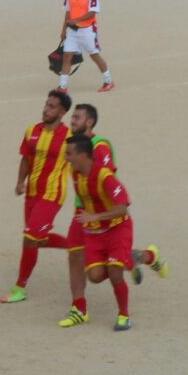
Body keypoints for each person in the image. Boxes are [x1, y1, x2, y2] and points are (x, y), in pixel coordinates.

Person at [59, 104, 167, 327]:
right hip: (84, 215)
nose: (72, 121)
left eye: (77, 118)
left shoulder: (100, 148)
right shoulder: (73, 152)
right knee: (76, 257)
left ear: (89, 122)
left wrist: (97, 213)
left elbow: (109, 183)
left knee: (110, 267)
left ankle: (137, 260)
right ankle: (79, 308)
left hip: (102, 216)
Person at [0, 89, 72, 305]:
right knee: (37, 240)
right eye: (46, 104)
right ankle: (78, 245)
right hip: (32, 193)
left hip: (52, 194)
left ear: (62, 112)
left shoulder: (69, 137)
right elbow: (26, 159)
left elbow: (80, 166)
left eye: (52, 106)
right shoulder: (33, 130)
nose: (46, 109)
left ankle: (19, 287)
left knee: (30, 238)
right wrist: (20, 181)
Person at [65, 135, 135, 330]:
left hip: (117, 229)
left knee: (114, 272)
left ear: (83, 155)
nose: (66, 158)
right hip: (95, 234)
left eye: (69, 154)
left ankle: (124, 315)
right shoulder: (76, 174)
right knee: (95, 277)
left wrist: (94, 218)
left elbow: (123, 208)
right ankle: (128, 259)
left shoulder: (105, 177)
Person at [58, 0, 114, 93]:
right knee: (67, 56)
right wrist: (63, 31)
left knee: (94, 56)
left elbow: (92, 13)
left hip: (88, 30)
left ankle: (109, 81)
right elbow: (68, 13)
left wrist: (75, 20)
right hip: (72, 31)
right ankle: (63, 86)